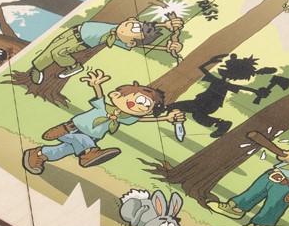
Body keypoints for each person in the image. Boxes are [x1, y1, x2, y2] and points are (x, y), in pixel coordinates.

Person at [22, 70, 184, 172]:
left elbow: (143, 121)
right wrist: (96, 85)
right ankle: (90, 153)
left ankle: (38, 154)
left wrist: (166, 118)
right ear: (115, 96)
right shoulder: (104, 107)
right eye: (139, 100)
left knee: (63, 150)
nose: (140, 106)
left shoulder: (125, 117)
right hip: (72, 128)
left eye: (146, 106)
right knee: (82, 139)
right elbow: (99, 96)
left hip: (91, 138)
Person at [29, 16, 182, 84]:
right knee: (51, 49)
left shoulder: (118, 39)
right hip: (74, 31)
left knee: (58, 53)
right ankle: (37, 68)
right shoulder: (118, 28)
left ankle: (74, 66)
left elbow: (142, 45)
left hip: (79, 42)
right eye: (135, 24)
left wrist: (165, 48)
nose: (132, 24)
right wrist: (165, 24)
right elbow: (147, 26)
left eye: (135, 30)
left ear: (130, 42)